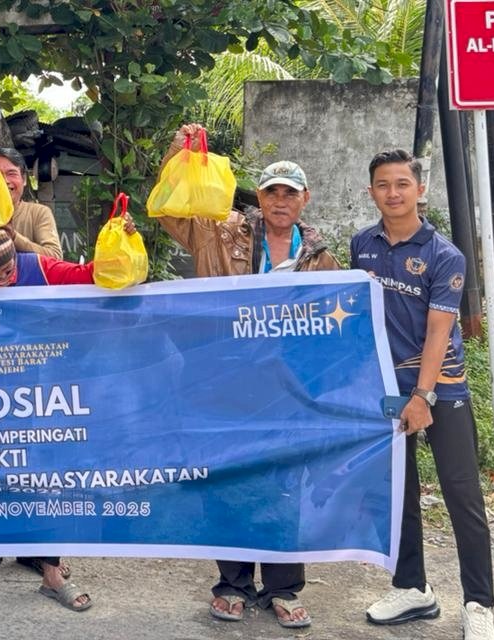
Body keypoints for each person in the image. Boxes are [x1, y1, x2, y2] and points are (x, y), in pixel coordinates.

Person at [156, 124, 339, 629]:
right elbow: (172, 209)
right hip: (220, 380)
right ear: (259, 197)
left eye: (291, 193)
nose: (280, 201)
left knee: (283, 483)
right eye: (272, 191)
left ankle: (283, 588)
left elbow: (336, 332)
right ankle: (232, 584)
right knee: (229, 478)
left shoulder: (322, 262)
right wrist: (180, 152)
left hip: (286, 389)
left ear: (305, 200)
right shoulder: (221, 228)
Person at [0, 221, 140, 612]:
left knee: (43, 479)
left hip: (40, 399)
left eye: (9, 270)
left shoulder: (38, 267)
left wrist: (123, 242)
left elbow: (93, 275)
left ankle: (51, 573)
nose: (6, 278)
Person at [352, 150, 494, 640]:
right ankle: (412, 588)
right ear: (371, 191)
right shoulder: (362, 246)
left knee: (462, 497)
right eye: (383, 185)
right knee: (400, 495)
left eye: (401, 184)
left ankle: (479, 604)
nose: (392, 193)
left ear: (419, 189)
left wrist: (424, 397)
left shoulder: (444, 255)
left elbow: (439, 333)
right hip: (386, 391)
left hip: (442, 390)